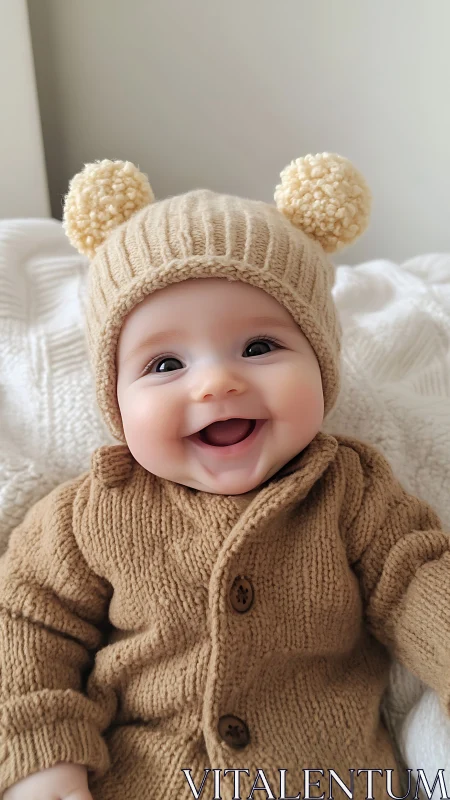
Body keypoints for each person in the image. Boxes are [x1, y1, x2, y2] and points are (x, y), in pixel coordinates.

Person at [0, 154, 447, 800]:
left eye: (260, 348)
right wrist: (42, 763)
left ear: (321, 364)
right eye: (165, 364)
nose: (216, 382)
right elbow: (26, 623)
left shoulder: (349, 489)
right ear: (114, 401)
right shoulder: (91, 514)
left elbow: (418, 579)